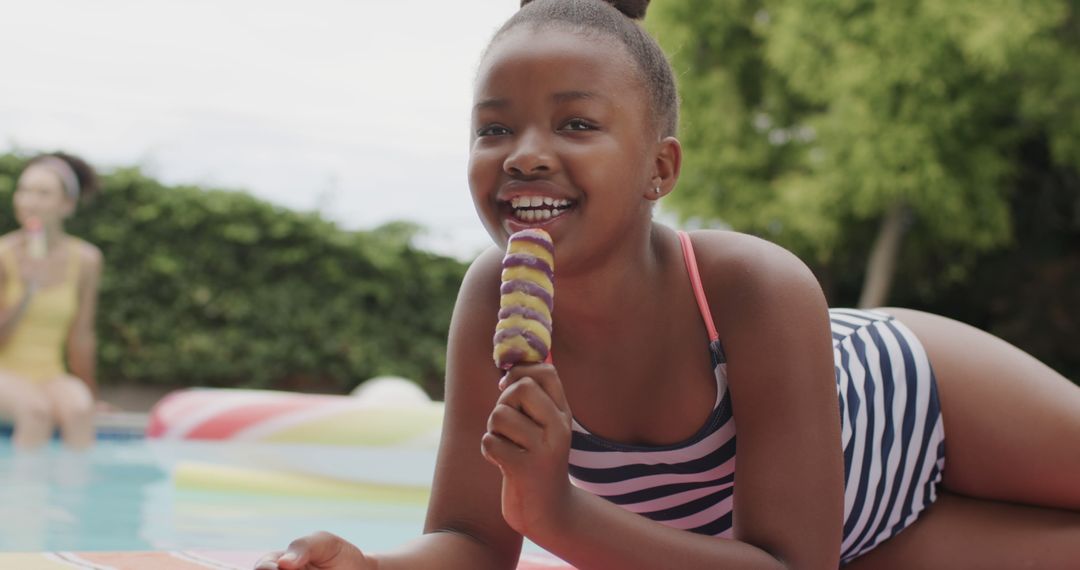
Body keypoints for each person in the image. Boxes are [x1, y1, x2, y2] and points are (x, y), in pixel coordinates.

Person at [257, 0, 1080, 567]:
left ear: (661, 168)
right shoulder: (488, 301)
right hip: (847, 545)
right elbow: (472, 542)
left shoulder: (751, 286)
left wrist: (557, 512)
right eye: (494, 127)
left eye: (576, 124)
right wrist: (372, 566)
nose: (526, 153)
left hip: (909, 405)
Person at [0, 152, 104, 450]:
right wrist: (28, 290)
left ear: (66, 205)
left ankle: (74, 496)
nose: (29, 201)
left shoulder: (86, 260)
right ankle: (23, 497)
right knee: (36, 413)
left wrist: (92, 395)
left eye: (43, 193)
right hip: (3, 371)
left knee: (79, 411)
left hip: (50, 373)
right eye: (24, 190)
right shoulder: (3, 255)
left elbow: (81, 337)